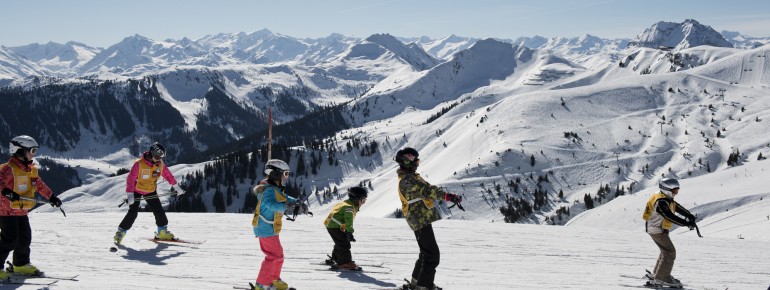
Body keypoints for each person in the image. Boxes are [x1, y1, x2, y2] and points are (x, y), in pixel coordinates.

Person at [395, 147, 462, 290]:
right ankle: (424, 286)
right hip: (419, 219)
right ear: (406, 161)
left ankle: (416, 283)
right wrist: (447, 196)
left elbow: (427, 188)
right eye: (414, 159)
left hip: (420, 218)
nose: (417, 162)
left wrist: (445, 196)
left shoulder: (410, 177)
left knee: (426, 252)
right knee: (432, 254)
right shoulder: (407, 180)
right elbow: (427, 190)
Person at [0, 136, 63, 278]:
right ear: (20, 151)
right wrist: (7, 192)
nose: (34, 154)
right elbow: (0, 182)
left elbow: (39, 185)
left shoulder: (31, 170)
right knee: (9, 239)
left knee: (24, 238)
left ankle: (20, 264)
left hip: (21, 210)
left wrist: (51, 197)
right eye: (32, 151)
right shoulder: (8, 168)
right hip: (6, 210)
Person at [114, 142, 185, 244]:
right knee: (133, 213)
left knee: (159, 211)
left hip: (150, 190)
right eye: (157, 157)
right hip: (136, 191)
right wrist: (130, 194)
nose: (159, 159)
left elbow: (168, 175)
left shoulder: (160, 165)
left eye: (161, 157)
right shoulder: (139, 164)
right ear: (151, 154)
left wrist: (176, 186)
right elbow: (130, 179)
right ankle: (120, 232)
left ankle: (161, 232)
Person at [251, 159, 297, 290]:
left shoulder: (275, 189)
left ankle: (273, 279)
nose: (286, 177)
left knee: (278, 255)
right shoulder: (268, 190)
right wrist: (285, 206)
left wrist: (296, 202)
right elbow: (269, 204)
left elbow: (284, 197)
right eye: (285, 174)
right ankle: (262, 284)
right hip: (265, 228)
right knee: (274, 256)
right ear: (276, 174)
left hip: (270, 228)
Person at [642, 178, 697, 288]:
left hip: (657, 229)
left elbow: (676, 206)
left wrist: (689, 215)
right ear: (667, 189)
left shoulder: (664, 197)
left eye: (677, 191)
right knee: (670, 252)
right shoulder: (661, 201)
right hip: (657, 230)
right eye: (674, 191)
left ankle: (658, 275)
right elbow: (669, 215)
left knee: (665, 251)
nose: (676, 193)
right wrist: (685, 223)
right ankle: (661, 278)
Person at [323, 186, 367, 270]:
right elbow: (348, 221)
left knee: (340, 242)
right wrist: (349, 232)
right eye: (362, 200)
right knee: (344, 243)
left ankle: (336, 258)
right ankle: (344, 262)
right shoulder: (349, 207)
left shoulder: (348, 203)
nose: (363, 203)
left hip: (333, 225)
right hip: (334, 226)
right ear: (355, 198)